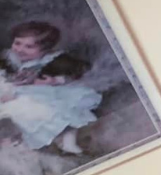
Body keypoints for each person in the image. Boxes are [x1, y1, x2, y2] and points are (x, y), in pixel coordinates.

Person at [0, 20, 101, 154]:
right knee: (17, 111)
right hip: (13, 92)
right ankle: (15, 140)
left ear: (45, 50)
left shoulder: (53, 60)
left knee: (58, 112)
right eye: (17, 43)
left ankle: (66, 141)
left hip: (44, 93)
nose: (20, 50)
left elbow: (82, 69)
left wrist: (54, 80)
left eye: (29, 47)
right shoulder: (8, 58)